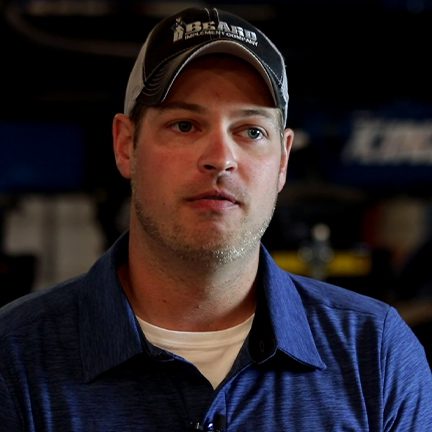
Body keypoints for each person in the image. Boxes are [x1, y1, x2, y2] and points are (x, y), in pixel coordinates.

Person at [0, 6, 431, 431]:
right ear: (125, 144)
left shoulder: (376, 356)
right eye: (185, 125)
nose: (221, 158)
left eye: (251, 131)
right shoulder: (13, 356)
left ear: (283, 160)